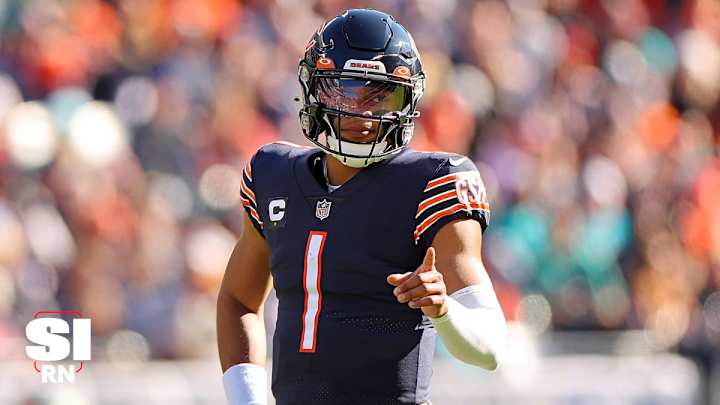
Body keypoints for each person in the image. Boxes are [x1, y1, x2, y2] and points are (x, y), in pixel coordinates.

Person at [217, 8, 506, 405]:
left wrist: (443, 310)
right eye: (345, 89)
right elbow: (238, 300)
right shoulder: (272, 174)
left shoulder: (434, 182)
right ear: (315, 89)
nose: (363, 111)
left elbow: (490, 348)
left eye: (382, 94)